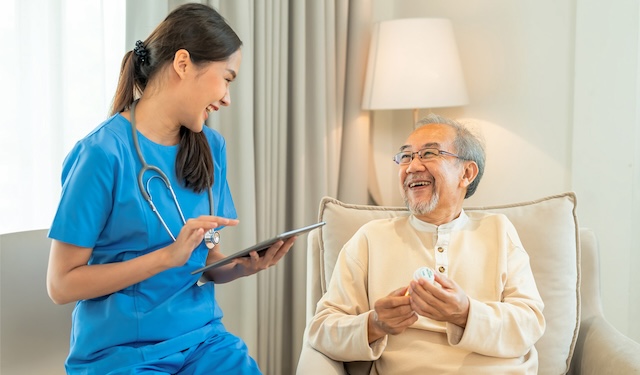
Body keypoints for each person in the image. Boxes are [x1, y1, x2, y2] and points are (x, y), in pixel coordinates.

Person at [45, 4, 294, 374]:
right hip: (121, 354)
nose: (227, 97)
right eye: (226, 78)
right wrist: (166, 257)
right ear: (182, 63)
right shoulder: (101, 154)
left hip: (203, 343)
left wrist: (239, 267)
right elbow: (61, 285)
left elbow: (206, 261)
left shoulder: (211, 147)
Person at [305, 114, 546, 374]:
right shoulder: (370, 238)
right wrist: (375, 324)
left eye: (429, 153)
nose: (412, 167)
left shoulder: (498, 231)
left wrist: (465, 313)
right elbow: (321, 331)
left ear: (467, 173)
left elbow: (530, 325)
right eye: (406, 157)